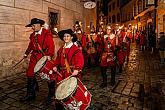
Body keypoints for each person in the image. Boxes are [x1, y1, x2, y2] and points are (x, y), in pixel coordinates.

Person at [20, 18, 55, 102]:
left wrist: (49, 55)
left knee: (47, 75)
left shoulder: (47, 34)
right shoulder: (32, 35)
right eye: (32, 25)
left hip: (43, 57)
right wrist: (26, 53)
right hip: (34, 57)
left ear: (40, 25)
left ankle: (51, 94)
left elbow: (51, 46)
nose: (32, 27)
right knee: (30, 73)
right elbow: (30, 45)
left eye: (34, 25)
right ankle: (31, 94)